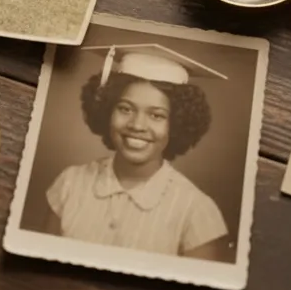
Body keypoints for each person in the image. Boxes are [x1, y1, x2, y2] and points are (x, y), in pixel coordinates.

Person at [44, 45, 231, 260]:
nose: (137, 125)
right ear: (107, 110)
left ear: (176, 124)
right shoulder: (70, 183)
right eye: (125, 109)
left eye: (156, 115)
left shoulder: (197, 211)